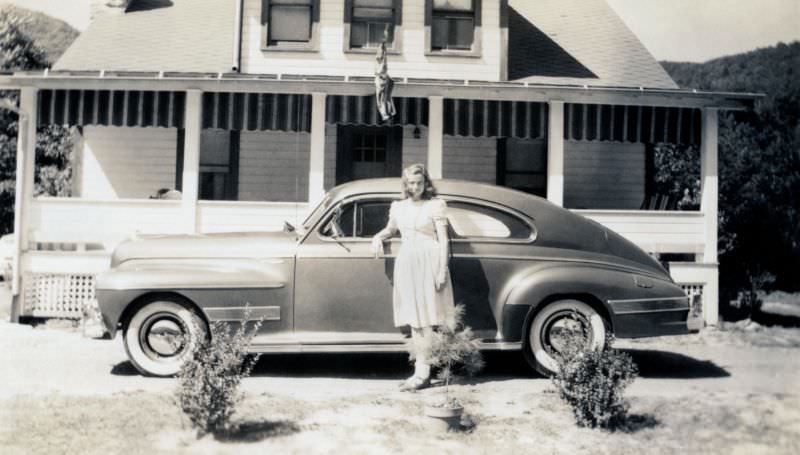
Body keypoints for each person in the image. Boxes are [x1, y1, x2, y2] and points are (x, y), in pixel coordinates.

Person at [371, 163, 454, 391]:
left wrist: (442, 270)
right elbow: (391, 229)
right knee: (414, 318)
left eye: (419, 183)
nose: (415, 187)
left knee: (426, 319)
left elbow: (444, 239)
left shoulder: (435, 205)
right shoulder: (398, 207)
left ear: (425, 183)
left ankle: (422, 372)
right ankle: (421, 370)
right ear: (406, 184)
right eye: (411, 183)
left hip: (430, 261)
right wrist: (378, 237)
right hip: (408, 261)